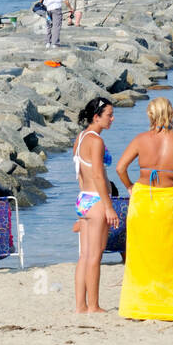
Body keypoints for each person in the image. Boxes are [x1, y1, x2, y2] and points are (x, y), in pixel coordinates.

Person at [116, 97, 173, 321]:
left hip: (143, 198)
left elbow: (121, 167)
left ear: (150, 115)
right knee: (171, 253)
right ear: (171, 113)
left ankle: (138, 307)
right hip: (170, 199)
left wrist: (131, 186)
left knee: (140, 254)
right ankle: (170, 308)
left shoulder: (140, 139)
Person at [72, 97, 119, 312]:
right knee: (95, 256)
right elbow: (99, 176)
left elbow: (80, 172)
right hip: (97, 200)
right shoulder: (96, 141)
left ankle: (81, 305)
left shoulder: (81, 138)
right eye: (109, 115)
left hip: (84, 199)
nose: (112, 118)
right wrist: (109, 207)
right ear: (96, 117)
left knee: (84, 256)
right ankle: (94, 306)